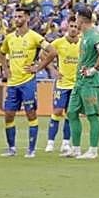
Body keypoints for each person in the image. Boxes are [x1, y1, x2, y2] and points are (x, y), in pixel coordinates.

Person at [0, 9, 47, 158]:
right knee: (8, 115)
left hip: (27, 81)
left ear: (27, 18)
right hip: (13, 83)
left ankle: (31, 149)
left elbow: (52, 51)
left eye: (20, 16)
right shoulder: (9, 38)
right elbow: (2, 53)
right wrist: (5, 69)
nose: (17, 19)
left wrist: (38, 67)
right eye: (15, 17)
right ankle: (11, 148)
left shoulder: (34, 36)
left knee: (30, 114)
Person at [66, 6, 99, 159]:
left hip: (91, 83)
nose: (75, 20)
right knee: (71, 113)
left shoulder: (93, 35)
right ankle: (76, 149)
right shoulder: (85, 36)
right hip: (80, 82)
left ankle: (93, 150)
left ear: (81, 18)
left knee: (92, 115)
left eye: (76, 17)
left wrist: (93, 70)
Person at [35, 19, 81, 154]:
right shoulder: (59, 42)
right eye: (71, 26)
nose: (73, 29)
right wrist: (52, 69)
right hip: (62, 84)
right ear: (67, 28)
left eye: (76, 26)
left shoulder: (82, 43)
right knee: (57, 111)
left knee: (71, 113)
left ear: (79, 29)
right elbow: (42, 54)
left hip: (76, 84)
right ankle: (50, 142)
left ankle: (66, 143)